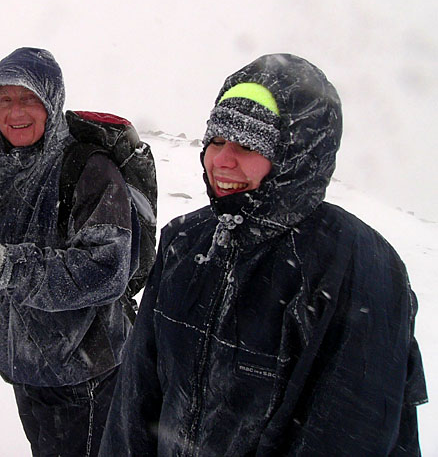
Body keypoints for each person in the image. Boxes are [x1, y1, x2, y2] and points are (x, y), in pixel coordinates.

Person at [99, 53, 428, 456]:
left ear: (297, 154)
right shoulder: (185, 241)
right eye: (216, 140)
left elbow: (349, 435)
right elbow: (137, 397)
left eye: (248, 144)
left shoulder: (359, 266)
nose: (222, 159)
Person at [0, 47, 138, 457]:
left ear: (52, 103)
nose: (15, 111)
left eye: (29, 98)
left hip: (83, 376)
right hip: (24, 369)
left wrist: (5, 267)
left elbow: (106, 269)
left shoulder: (90, 170)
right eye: (5, 100)